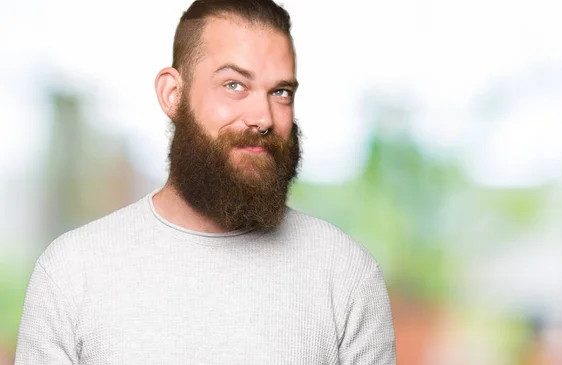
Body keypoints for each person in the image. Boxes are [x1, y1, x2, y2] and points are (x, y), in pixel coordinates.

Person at [14, 0, 397, 363]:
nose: (262, 117)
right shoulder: (70, 274)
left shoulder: (346, 276)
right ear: (172, 94)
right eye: (234, 85)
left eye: (280, 92)